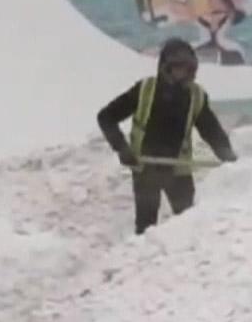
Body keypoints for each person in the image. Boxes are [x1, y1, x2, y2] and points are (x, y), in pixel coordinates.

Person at [97, 38, 238, 236]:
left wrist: (226, 154)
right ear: (165, 68)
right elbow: (106, 117)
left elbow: (211, 130)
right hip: (146, 168)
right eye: (177, 68)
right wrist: (122, 147)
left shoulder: (196, 96)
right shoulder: (145, 90)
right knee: (147, 232)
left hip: (178, 170)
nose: (182, 74)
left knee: (189, 225)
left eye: (187, 69)